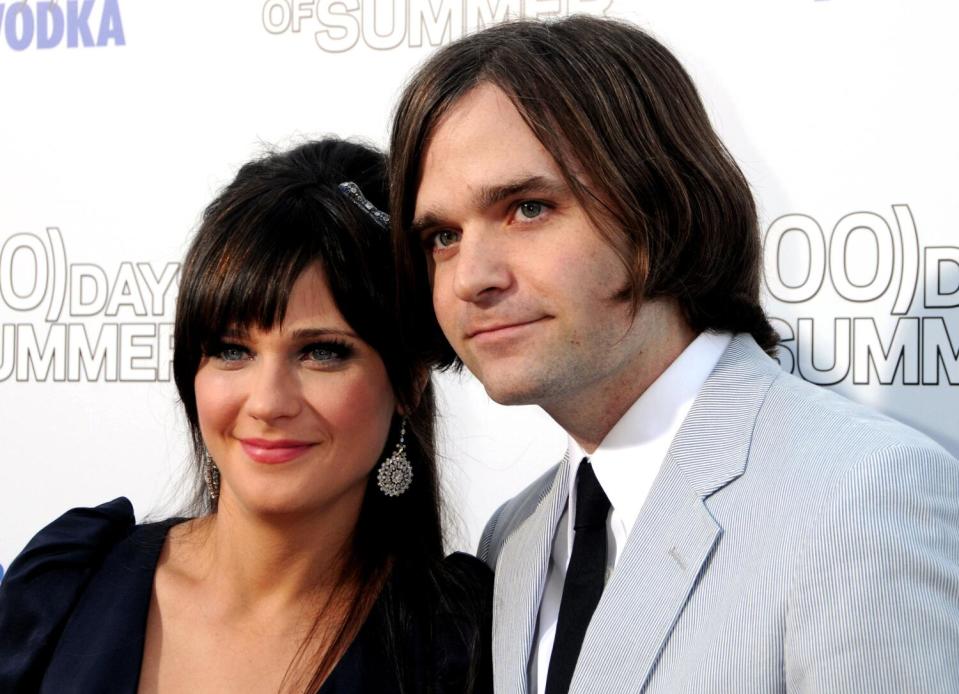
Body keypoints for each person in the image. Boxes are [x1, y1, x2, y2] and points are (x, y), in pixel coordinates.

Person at [388, 15, 959, 694]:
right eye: (441, 236)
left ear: (656, 211)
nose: (469, 277)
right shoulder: (513, 536)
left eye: (527, 209)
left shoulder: (856, 498)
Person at [0, 139, 492, 693]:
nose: (266, 402)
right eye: (232, 350)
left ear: (409, 381)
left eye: (322, 352)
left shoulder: (462, 646)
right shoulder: (67, 585)